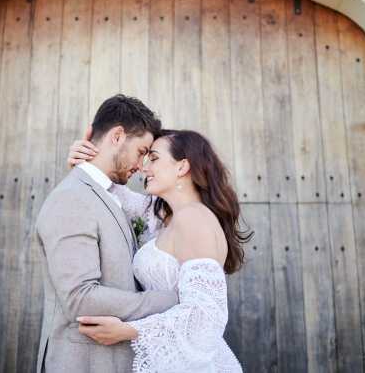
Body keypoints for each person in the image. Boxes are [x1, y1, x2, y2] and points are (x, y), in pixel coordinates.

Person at [68, 127, 253, 373]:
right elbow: (111, 192)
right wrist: (87, 161)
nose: (145, 168)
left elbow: (205, 316)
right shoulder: (164, 214)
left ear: (182, 167)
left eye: (153, 158)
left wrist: (129, 331)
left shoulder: (194, 219)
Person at [34, 95, 179, 373]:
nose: (141, 166)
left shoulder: (113, 197)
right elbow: (80, 297)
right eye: (141, 151)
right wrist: (172, 300)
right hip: (83, 364)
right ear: (117, 136)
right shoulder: (72, 198)